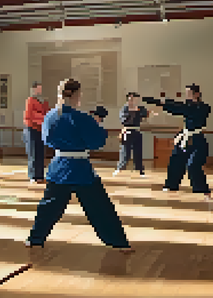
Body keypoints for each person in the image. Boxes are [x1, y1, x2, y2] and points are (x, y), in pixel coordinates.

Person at [26, 78, 133, 254]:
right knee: (100, 207)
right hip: (80, 169)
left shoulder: (51, 116)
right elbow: (97, 141)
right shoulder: (82, 118)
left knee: (49, 206)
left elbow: (47, 139)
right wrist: (96, 123)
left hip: (58, 167)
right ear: (77, 95)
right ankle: (119, 242)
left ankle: (35, 239)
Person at [142, 84, 213, 200]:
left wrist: (163, 103)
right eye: (186, 93)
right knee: (175, 160)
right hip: (185, 138)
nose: (187, 96)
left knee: (193, 165)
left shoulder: (204, 107)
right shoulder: (187, 106)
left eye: (189, 93)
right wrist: (159, 103)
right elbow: (177, 107)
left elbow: (182, 109)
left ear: (196, 94)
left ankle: (202, 189)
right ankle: (171, 185)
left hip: (197, 140)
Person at [113, 92, 156, 177]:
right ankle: (120, 168)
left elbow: (146, 115)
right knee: (125, 152)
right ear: (128, 99)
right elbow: (124, 120)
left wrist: (150, 114)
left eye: (135, 99)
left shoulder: (140, 108)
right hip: (127, 131)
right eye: (131, 99)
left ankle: (140, 170)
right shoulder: (124, 109)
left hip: (137, 131)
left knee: (138, 152)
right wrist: (132, 113)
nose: (133, 101)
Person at [23, 82, 50, 184]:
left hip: (41, 129)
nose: (39, 91)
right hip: (31, 129)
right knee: (33, 152)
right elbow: (30, 115)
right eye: (38, 89)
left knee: (40, 152)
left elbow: (47, 113)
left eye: (40, 89)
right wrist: (43, 118)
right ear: (33, 90)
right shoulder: (30, 100)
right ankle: (33, 175)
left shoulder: (44, 102)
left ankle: (40, 175)